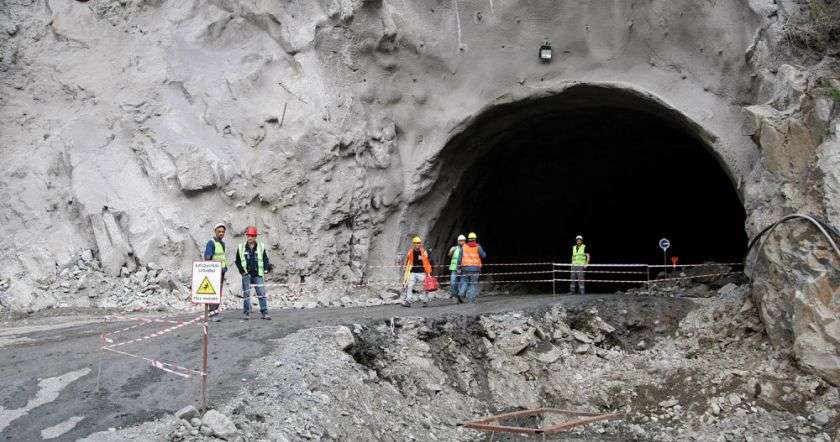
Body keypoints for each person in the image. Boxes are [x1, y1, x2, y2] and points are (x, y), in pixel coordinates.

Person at [235, 226, 273, 320]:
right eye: (248, 235)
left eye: (252, 236)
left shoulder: (260, 246)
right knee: (247, 295)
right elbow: (238, 261)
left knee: (261, 294)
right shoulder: (241, 247)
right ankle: (247, 314)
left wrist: (266, 269)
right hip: (246, 274)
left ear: (255, 236)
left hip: (257, 274)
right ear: (246, 236)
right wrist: (242, 271)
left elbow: (265, 259)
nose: (250, 237)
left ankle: (265, 313)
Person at [203, 223, 228, 322]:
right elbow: (208, 258)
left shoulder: (222, 243)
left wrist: (224, 268)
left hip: (221, 272)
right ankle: (212, 314)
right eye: (219, 231)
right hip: (214, 272)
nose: (221, 233)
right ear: (215, 232)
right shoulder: (211, 243)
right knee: (213, 293)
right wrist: (211, 270)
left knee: (218, 293)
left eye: (223, 232)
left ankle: (214, 313)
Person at [402, 236, 432, 307]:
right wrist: (405, 267)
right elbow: (407, 260)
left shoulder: (423, 252)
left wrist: (428, 273)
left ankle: (425, 301)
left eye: (418, 243)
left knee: (425, 286)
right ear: (413, 244)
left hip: (422, 272)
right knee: (410, 286)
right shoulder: (410, 252)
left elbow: (427, 262)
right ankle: (408, 302)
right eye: (415, 243)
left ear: (420, 243)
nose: (417, 244)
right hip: (413, 272)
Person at [457, 232, 487, 304]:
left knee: (465, 282)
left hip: (465, 268)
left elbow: (459, 258)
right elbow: (483, 256)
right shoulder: (478, 247)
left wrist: (458, 267)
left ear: (468, 239)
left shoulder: (464, 247)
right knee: (472, 284)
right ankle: (471, 301)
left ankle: (460, 294)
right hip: (475, 269)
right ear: (475, 239)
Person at [448, 235, 467, 303]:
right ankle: (456, 296)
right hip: (454, 268)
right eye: (460, 241)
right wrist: (451, 251)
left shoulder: (467, 249)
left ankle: (461, 297)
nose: (462, 242)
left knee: (463, 284)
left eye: (463, 241)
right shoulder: (454, 248)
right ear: (458, 241)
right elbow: (449, 255)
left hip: (463, 269)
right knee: (453, 283)